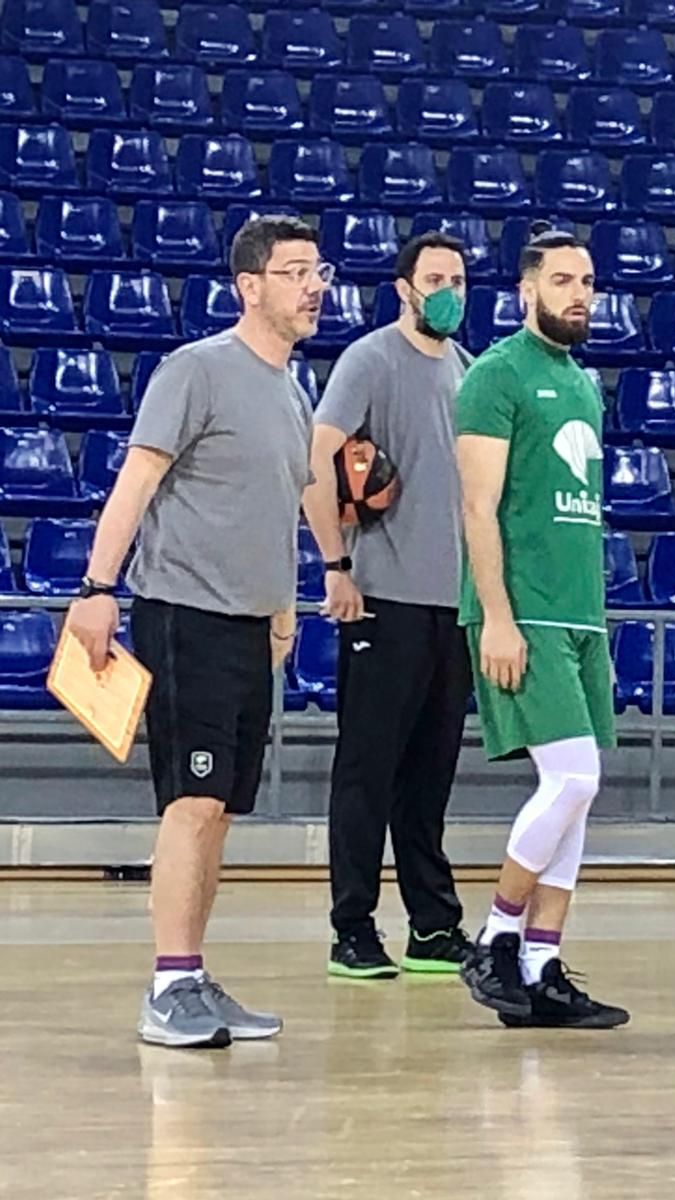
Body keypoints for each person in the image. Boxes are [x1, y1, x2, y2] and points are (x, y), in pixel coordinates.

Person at [63, 216, 328, 1048]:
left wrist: (284, 608)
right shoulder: (198, 370)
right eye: (293, 273)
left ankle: (193, 974)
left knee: (220, 812)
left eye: (316, 271)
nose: (313, 286)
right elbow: (135, 482)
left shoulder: (293, 390)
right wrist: (97, 589)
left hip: (252, 628)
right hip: (186, 615)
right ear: (249, 287)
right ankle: (167, 985)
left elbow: (279, 508)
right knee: (192, 800)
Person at [454, 224, 628, 1030]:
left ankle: (541, 965)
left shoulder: (584, 385)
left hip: (581, 613)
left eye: (587, 281)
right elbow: (476, 507)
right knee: (573, 779)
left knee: (577, 797)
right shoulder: (495, 376)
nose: (579, 294)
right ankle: (494, 937)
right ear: (526, 290)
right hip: (523, 612)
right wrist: (496, 615)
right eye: (562, 281)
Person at [302, 232, 477, 979]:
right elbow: (317, 456)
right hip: (385, 598)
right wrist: (336, 565)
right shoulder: (370, 359)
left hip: (454, 605)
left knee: (431, 773)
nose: (449, 290)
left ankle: (433, 927)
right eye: (435, 277)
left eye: (459, 279)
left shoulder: (469, 371)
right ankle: (353, 928)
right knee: (367, 770)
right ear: (404, 287)